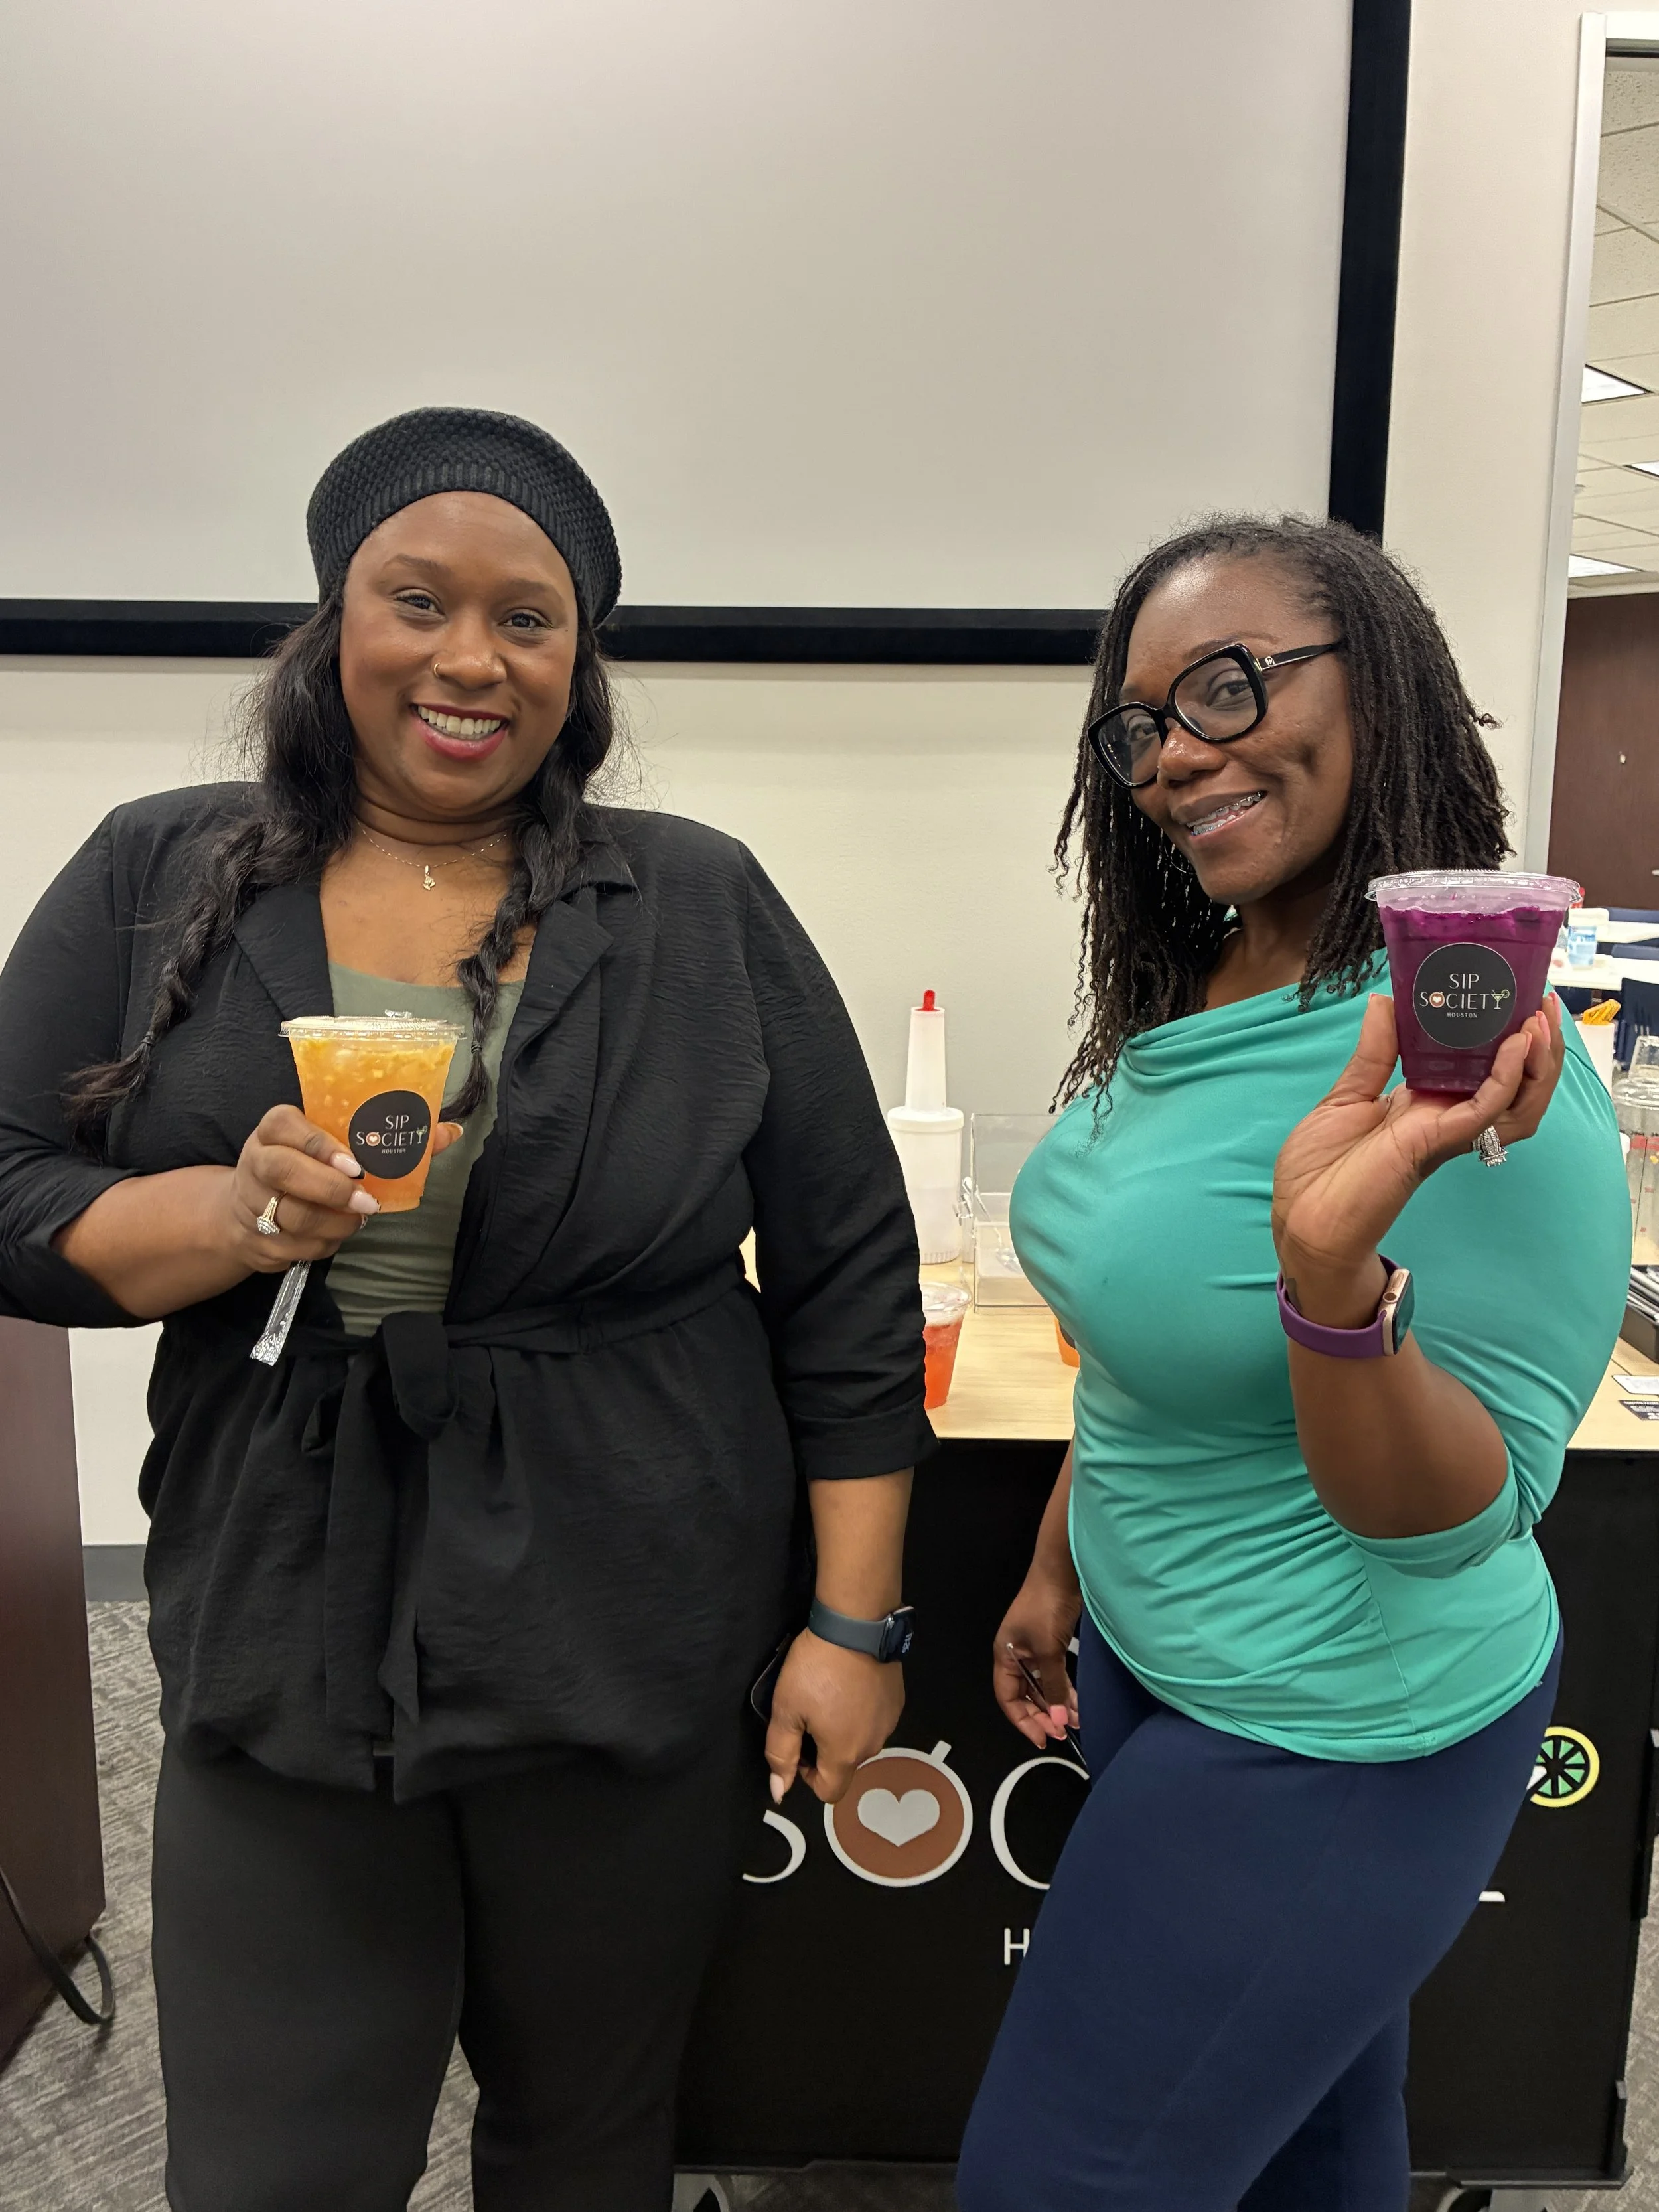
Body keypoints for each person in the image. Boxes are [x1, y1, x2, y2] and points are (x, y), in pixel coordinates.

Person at [0, 407, 932, 2212]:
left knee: (582, 2142)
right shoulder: (160, 868)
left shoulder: (694, 900)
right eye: (415, 598)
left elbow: (845, 1270)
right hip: (283, 1606)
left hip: (627, 1610)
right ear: (329, 620)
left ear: (578, 663)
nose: (467, 657)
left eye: (528, 617)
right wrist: (223, 1213)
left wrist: (854, 1620)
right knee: (275, 2168)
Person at [954, 516, 1631, 2212]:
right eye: (1145, 724)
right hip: (1159, 1653)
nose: (1181, 752)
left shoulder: (1473, 1071)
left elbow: (1446, 1520)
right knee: (1307, 2149)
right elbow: (1149, 1349)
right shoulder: (1205, 976)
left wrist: (1331, 1287)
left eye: (1233, 685)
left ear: (1380, 688)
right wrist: (1060, 1560)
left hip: (1341, 1726)